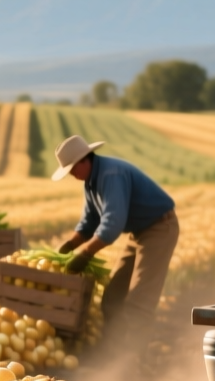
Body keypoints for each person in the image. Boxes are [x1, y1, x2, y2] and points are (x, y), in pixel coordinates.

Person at [51, 134, 179, 347]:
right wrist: (69, 246)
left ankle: (131, 361)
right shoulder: (90, 181)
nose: (72, 174)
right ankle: (111, 350)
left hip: (159, 229)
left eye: (72, 168)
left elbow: (112, 223)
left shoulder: (111, 175)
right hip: (139, 232)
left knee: (139, 302)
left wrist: (85, 254)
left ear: (85, 159)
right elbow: (89, 220)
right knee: (113, 298)